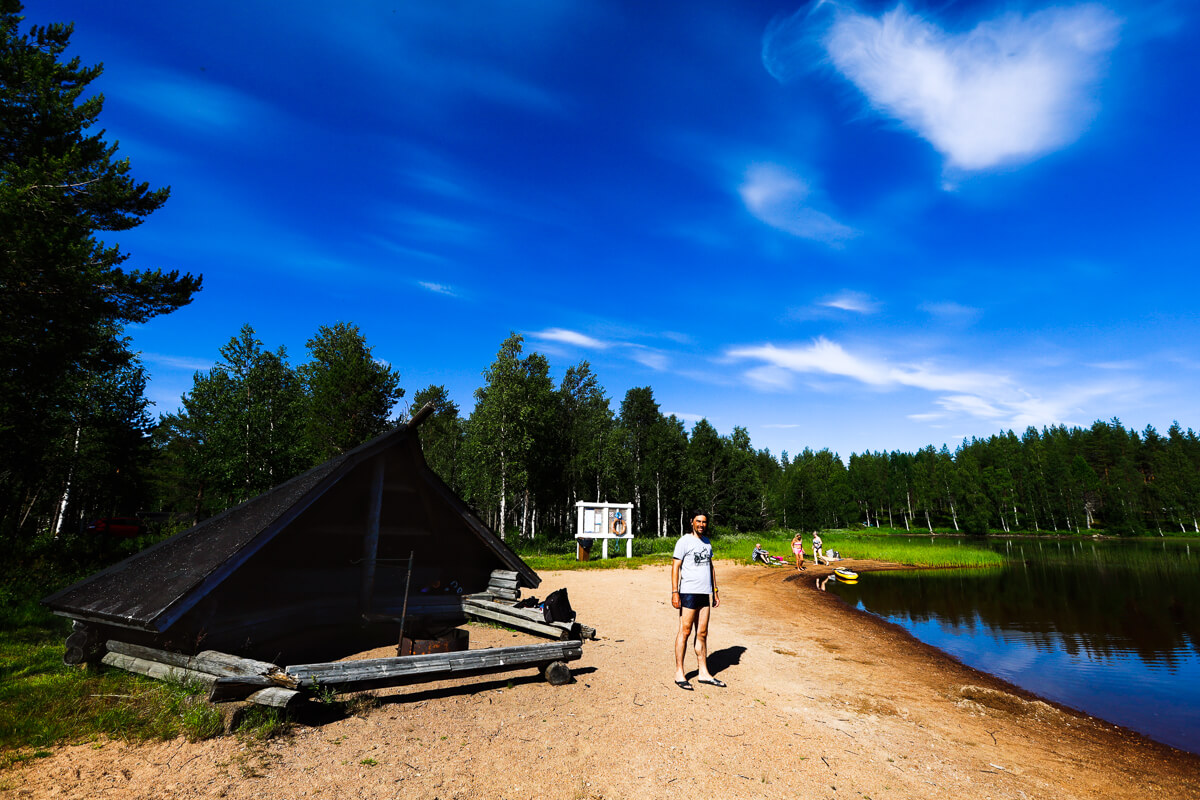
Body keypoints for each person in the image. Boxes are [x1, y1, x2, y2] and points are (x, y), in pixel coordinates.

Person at [671, 511, 724, 689]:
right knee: (685, 631)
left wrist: (715, 591)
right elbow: (675, 567)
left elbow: (711, 567)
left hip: (705, 593)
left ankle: (703, 672)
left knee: (702, 633)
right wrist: (674, 592)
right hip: (688, 592)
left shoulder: (707, 542)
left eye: (704, 522)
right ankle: (680, 672)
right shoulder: (684, 541)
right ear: (692, 522)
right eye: (698, 521)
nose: (701, 524)